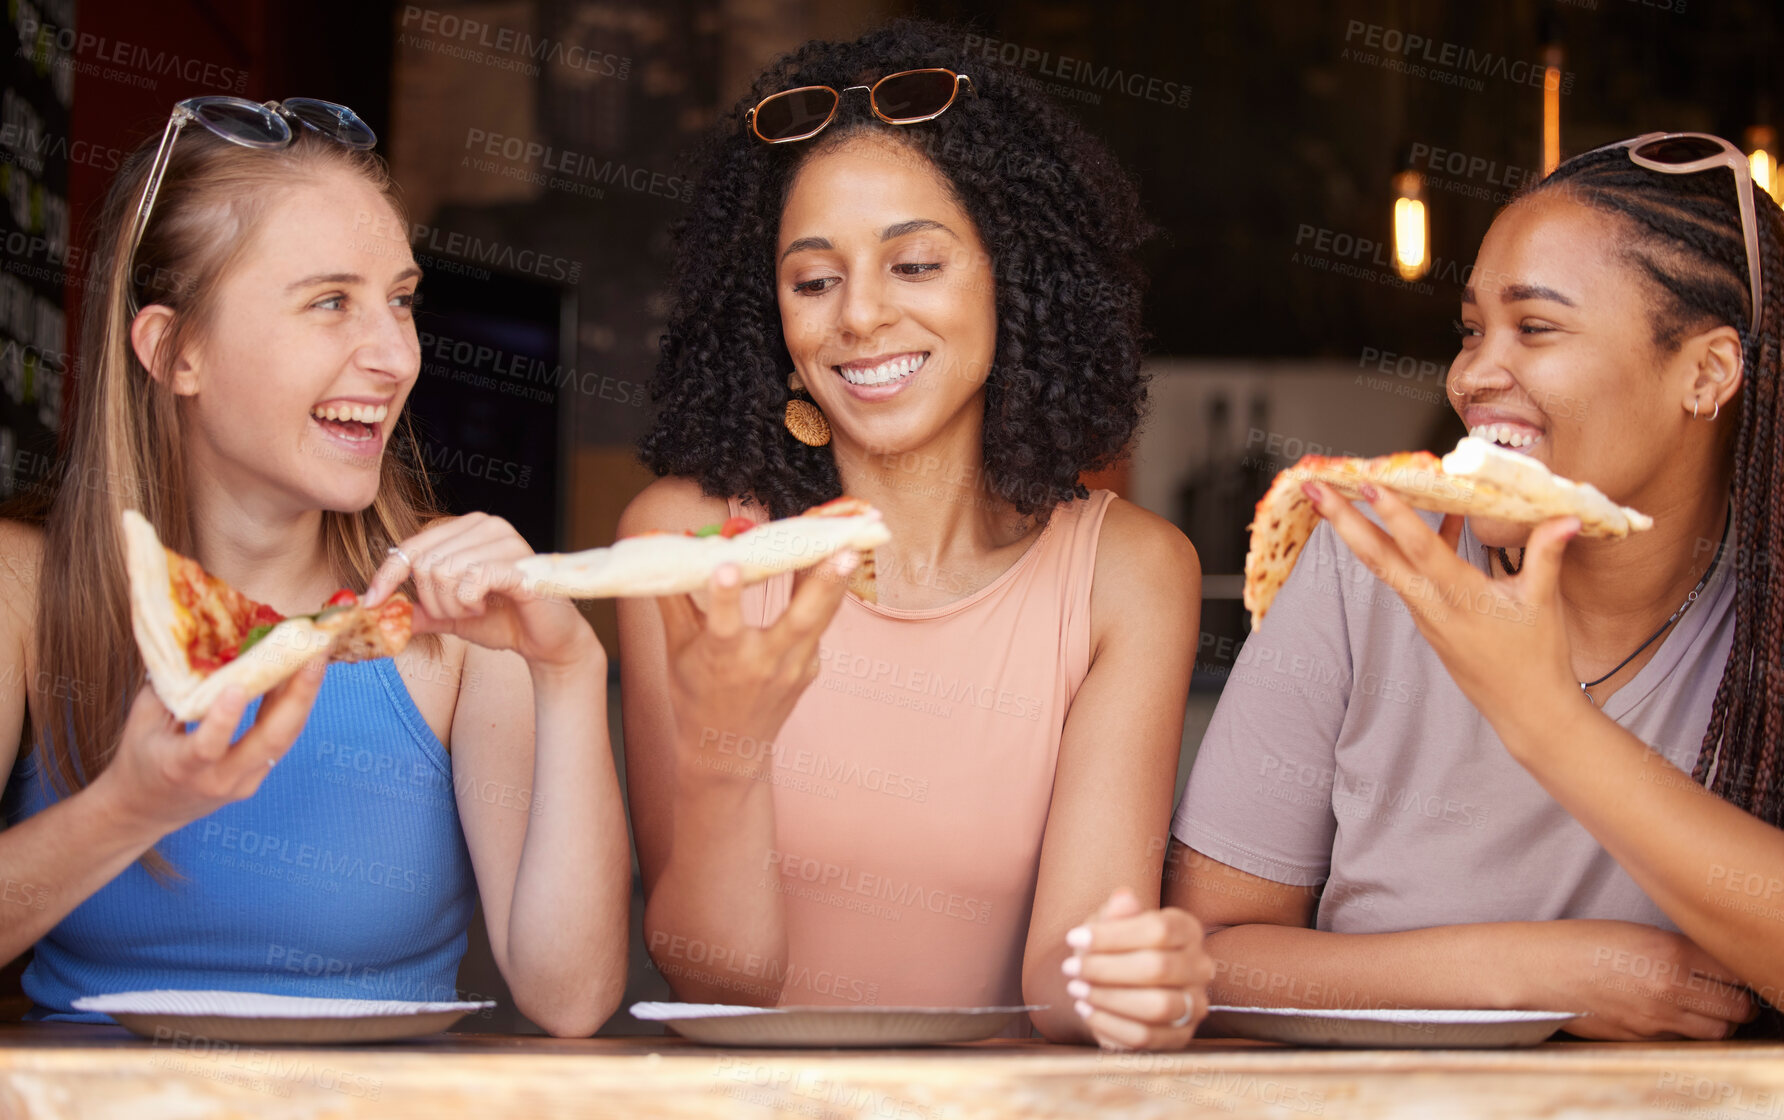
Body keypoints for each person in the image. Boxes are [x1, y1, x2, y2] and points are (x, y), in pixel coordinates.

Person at [617, 21, 1214, 1049]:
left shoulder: (1129, 574)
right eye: (812, 281)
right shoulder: (684, 543)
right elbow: (713, 980)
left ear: (1010, 278)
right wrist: (726, 751)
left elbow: (1060, 979)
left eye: (915, 265)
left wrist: (1128, 979)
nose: (858, 316)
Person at [0, 97, 628, 1035]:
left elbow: (570, 998)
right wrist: (130, 808)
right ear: (175, 351)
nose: (396, 355)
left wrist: (571, 670)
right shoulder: (22, 588)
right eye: (330, 302)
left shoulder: (458, 611)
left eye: (401, 301)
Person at [1168, 132, 1782, 1040]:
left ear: (1707, 373)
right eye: (1470, 329)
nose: (1470, 376)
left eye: (1534, 328)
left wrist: (1544, 718)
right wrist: (1532, 975)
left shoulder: (1762, 610)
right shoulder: (1371, 558)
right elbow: (1202, 958)